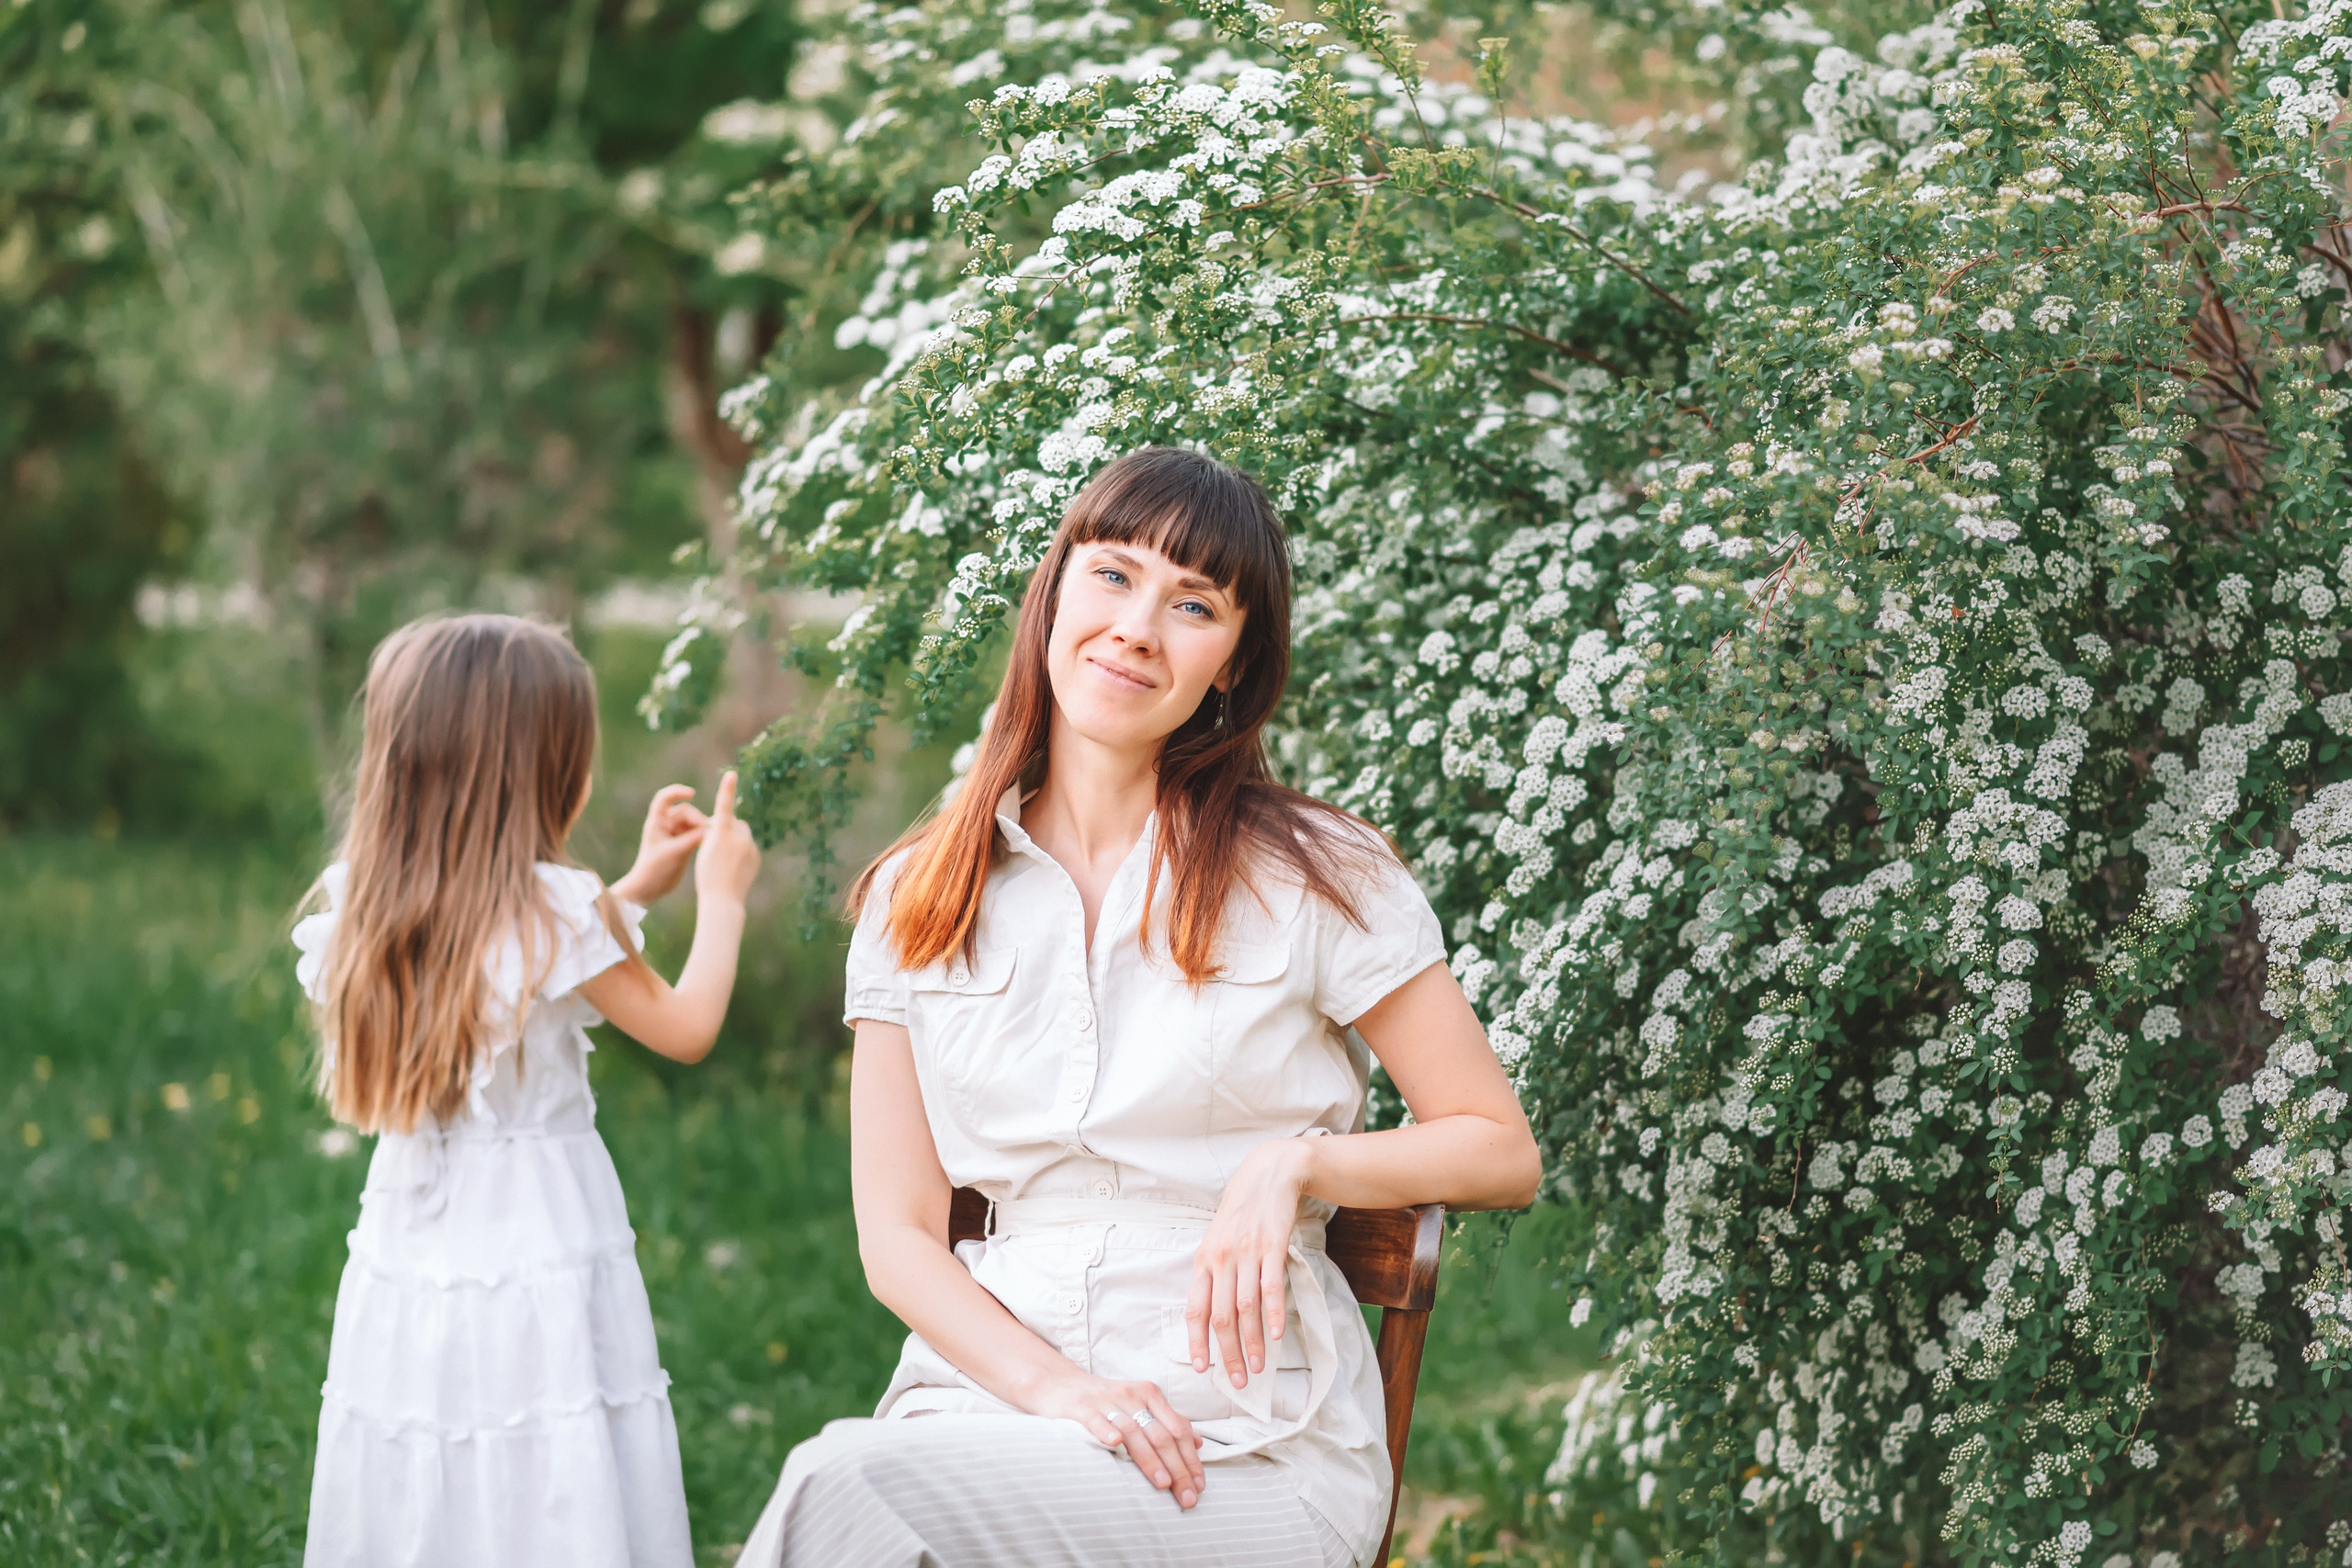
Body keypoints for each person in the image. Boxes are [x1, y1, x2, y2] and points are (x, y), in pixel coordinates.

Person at [737, 448, 1542, 1568]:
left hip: (1243, 1449)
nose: (1137, 629)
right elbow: (901, 1238)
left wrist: (1296, 1166)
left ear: (1232, 665)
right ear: (1054, 595)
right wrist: (1059, 1392)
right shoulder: (917, 896)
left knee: (848, 1489)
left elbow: (1499, 1148)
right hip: (985, 1411)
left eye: (1194, 605)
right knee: (866, 1494)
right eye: (1113, 577)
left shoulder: (1320, 875)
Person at [293, 614, 761, 1568]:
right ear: (542, 776)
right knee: (545, 1431)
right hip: (537, 1230)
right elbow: (685, 1026)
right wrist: (723, 897)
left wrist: (634, 887)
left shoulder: (372, 900)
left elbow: (507, 962)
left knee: (435, 1435)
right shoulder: (553, 909)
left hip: (413, 1242)